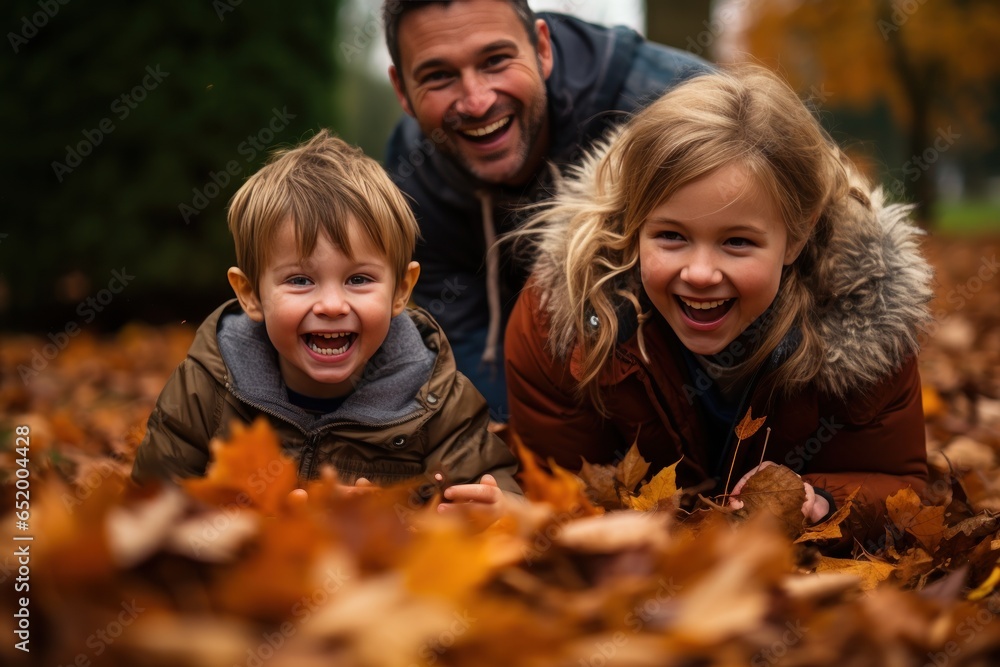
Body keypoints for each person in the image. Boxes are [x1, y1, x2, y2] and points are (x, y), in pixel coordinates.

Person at [504, 65, 932, 543]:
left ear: (796, 236)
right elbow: (555, 493)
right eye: (671, 236)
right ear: (633, 222)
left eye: (737, 242)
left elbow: (901, 489)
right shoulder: (564, 323)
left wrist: (823, 501)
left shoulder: (864, 321)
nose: (701, 273)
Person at [132, 130, 520, 523]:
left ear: (401, 291)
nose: (332, 306)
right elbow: (150, 503)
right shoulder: (206, 390)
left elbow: (498, 490)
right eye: (300, 280)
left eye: (358, 279)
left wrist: (495, 510)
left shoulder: (438, 400)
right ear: (250, 294)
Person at [382, 0, 710, 420]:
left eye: (496, 60)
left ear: (542, 48)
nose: (477, 102)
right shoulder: (414, 176)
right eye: (439, 76)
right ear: (402, 91)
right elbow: (460, 345)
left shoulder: (674, 107)